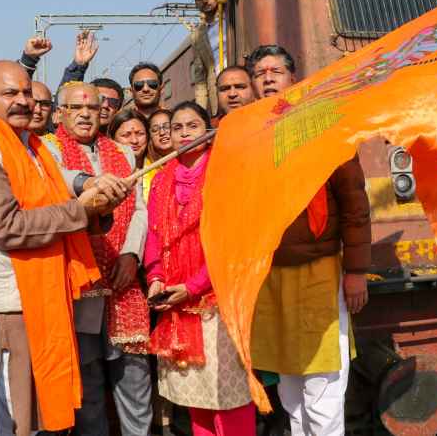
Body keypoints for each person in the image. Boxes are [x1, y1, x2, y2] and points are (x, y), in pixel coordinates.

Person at [0, 60, 128, 436]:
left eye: (27, 92)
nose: (23, 101)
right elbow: (9, 228)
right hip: (12, 301)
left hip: (41, 294)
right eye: (10, 93)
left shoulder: (23, 142)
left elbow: (53, 183)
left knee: (40, 411)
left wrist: (89, 188)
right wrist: (81, 210)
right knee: (17, 413)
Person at [247, 45, 372, 436]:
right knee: (288, 384)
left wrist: (356, 271)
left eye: (276, 71)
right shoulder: (247, 132)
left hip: (319, 269)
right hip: (269, 273)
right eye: (260, 72)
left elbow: (355, 205)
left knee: (323, 383)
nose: (268, 77)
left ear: (293, 79)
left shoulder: (325, 125)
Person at [42, 82, 152, 436]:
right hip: (79, 281)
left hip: (123, 282)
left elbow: (138, 209)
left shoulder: (122, 150)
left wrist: (132, 254)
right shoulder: (47, 149)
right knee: (88, 385)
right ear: (60, 113)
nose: (85, 113)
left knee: (134, 378)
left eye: (92, 107)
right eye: (75, 108)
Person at [145, 101, 255, 436]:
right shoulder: (162, 178)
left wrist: (193, 287)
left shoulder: (225, 172)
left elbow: (232, 243)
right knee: (197, 400)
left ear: (208, 131)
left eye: (192, 126)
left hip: (216, 302)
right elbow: (154, 234)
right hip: (176, 304)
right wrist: (155, 278)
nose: (183, 133)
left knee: (228, 396)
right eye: (176, 128)